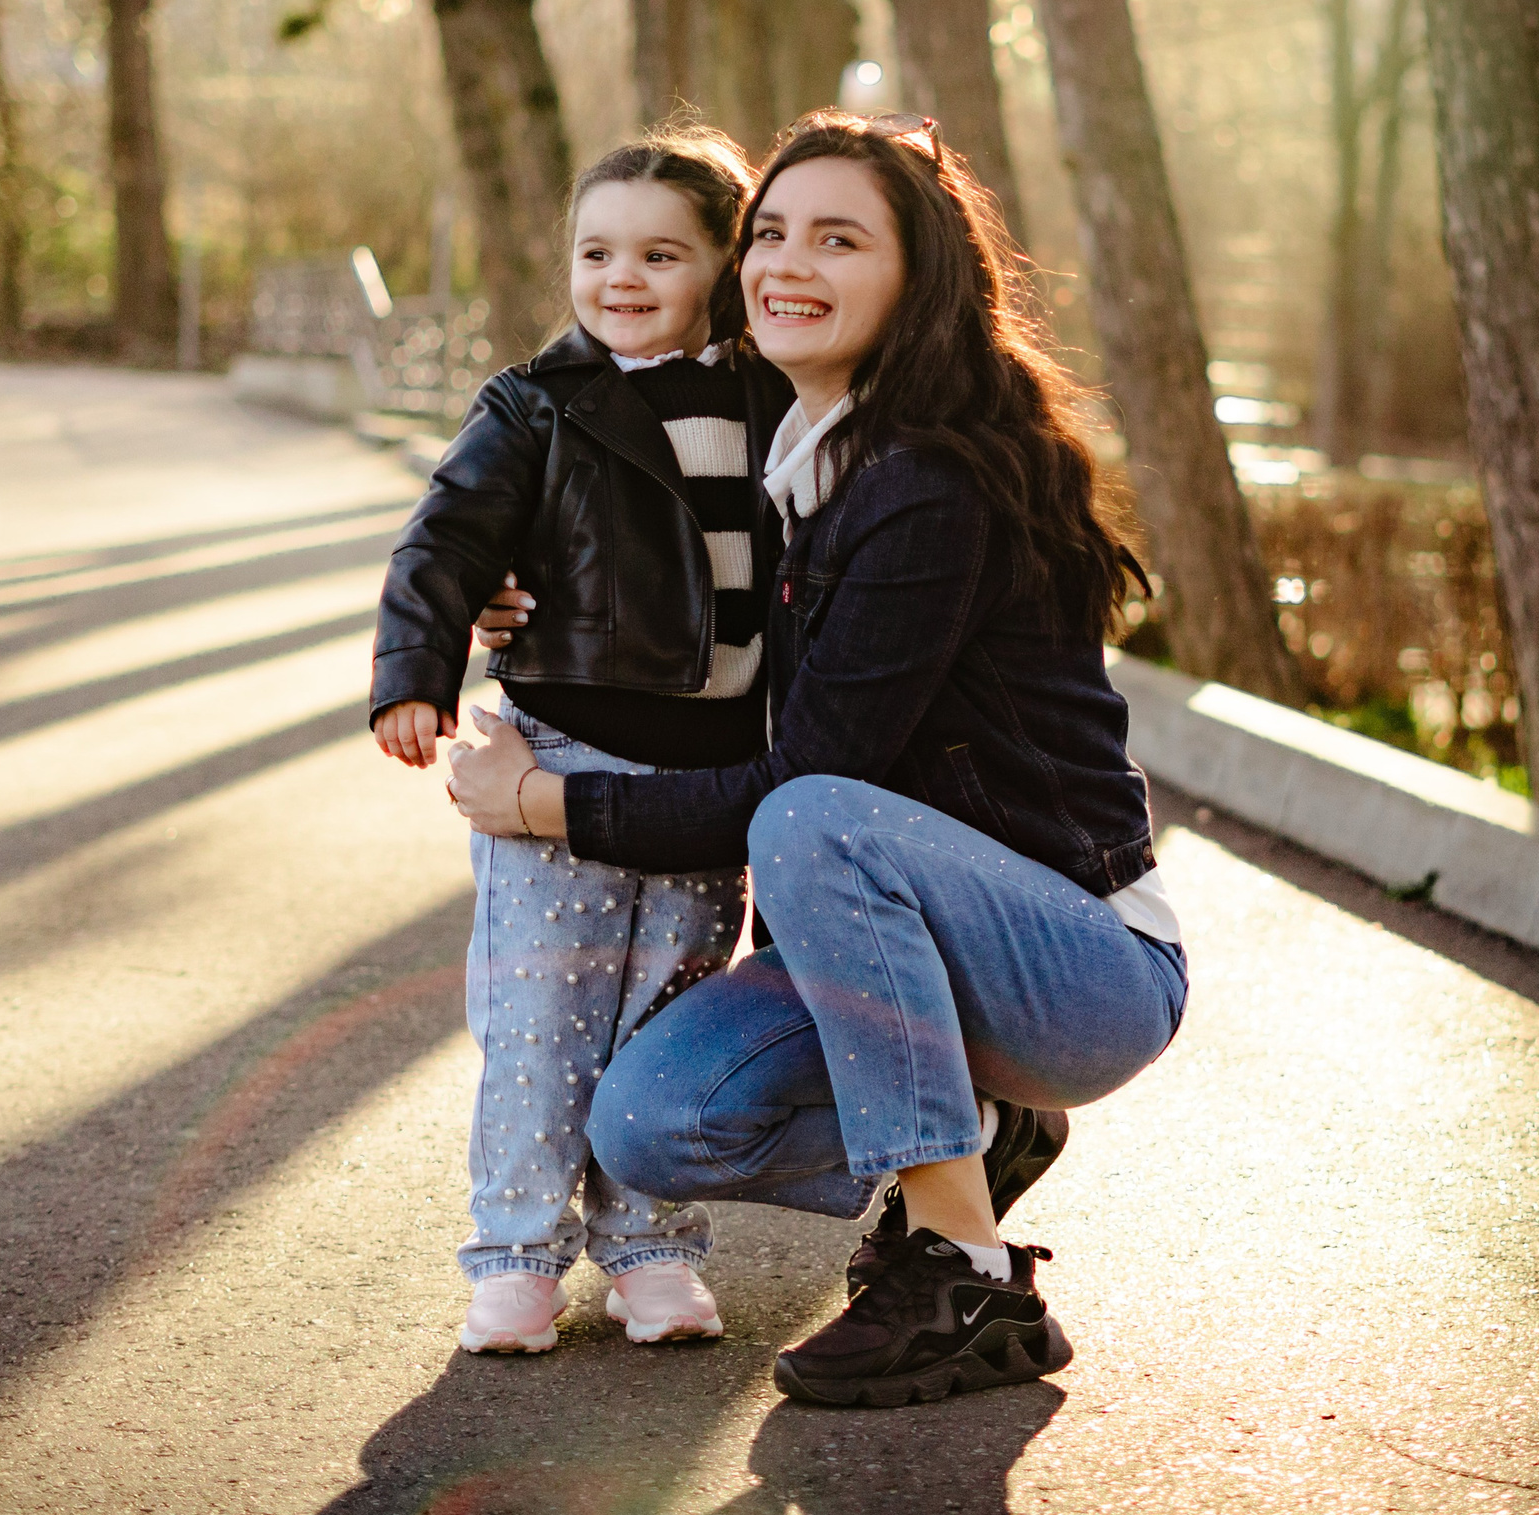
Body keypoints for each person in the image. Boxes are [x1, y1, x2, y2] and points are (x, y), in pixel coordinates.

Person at [444, 110, 1189, 1407]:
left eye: (839, 238)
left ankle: (965, 1271)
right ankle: (982, 1134)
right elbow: (656, 599)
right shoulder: (791, 459)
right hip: (912, 961)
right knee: (653, 1120)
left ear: (920, 278)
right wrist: (527, 601)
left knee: (806, 819)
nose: (788, 260)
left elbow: (798, 782)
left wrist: (541, 796)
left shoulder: (926, 484)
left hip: (1078, 965)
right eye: (769, 232)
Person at [370, 122, 795, 1355]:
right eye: (596, 251)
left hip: (710, 773)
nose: (622, 278)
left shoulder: (775, 399)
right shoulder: (538, 403)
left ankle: (651, 1253)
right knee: (540, 1024)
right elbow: (446, 538)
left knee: (662, 1021)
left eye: (661, 254)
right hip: (562, 756)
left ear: (724, 262)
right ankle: (512, 1256)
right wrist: (419, 668)